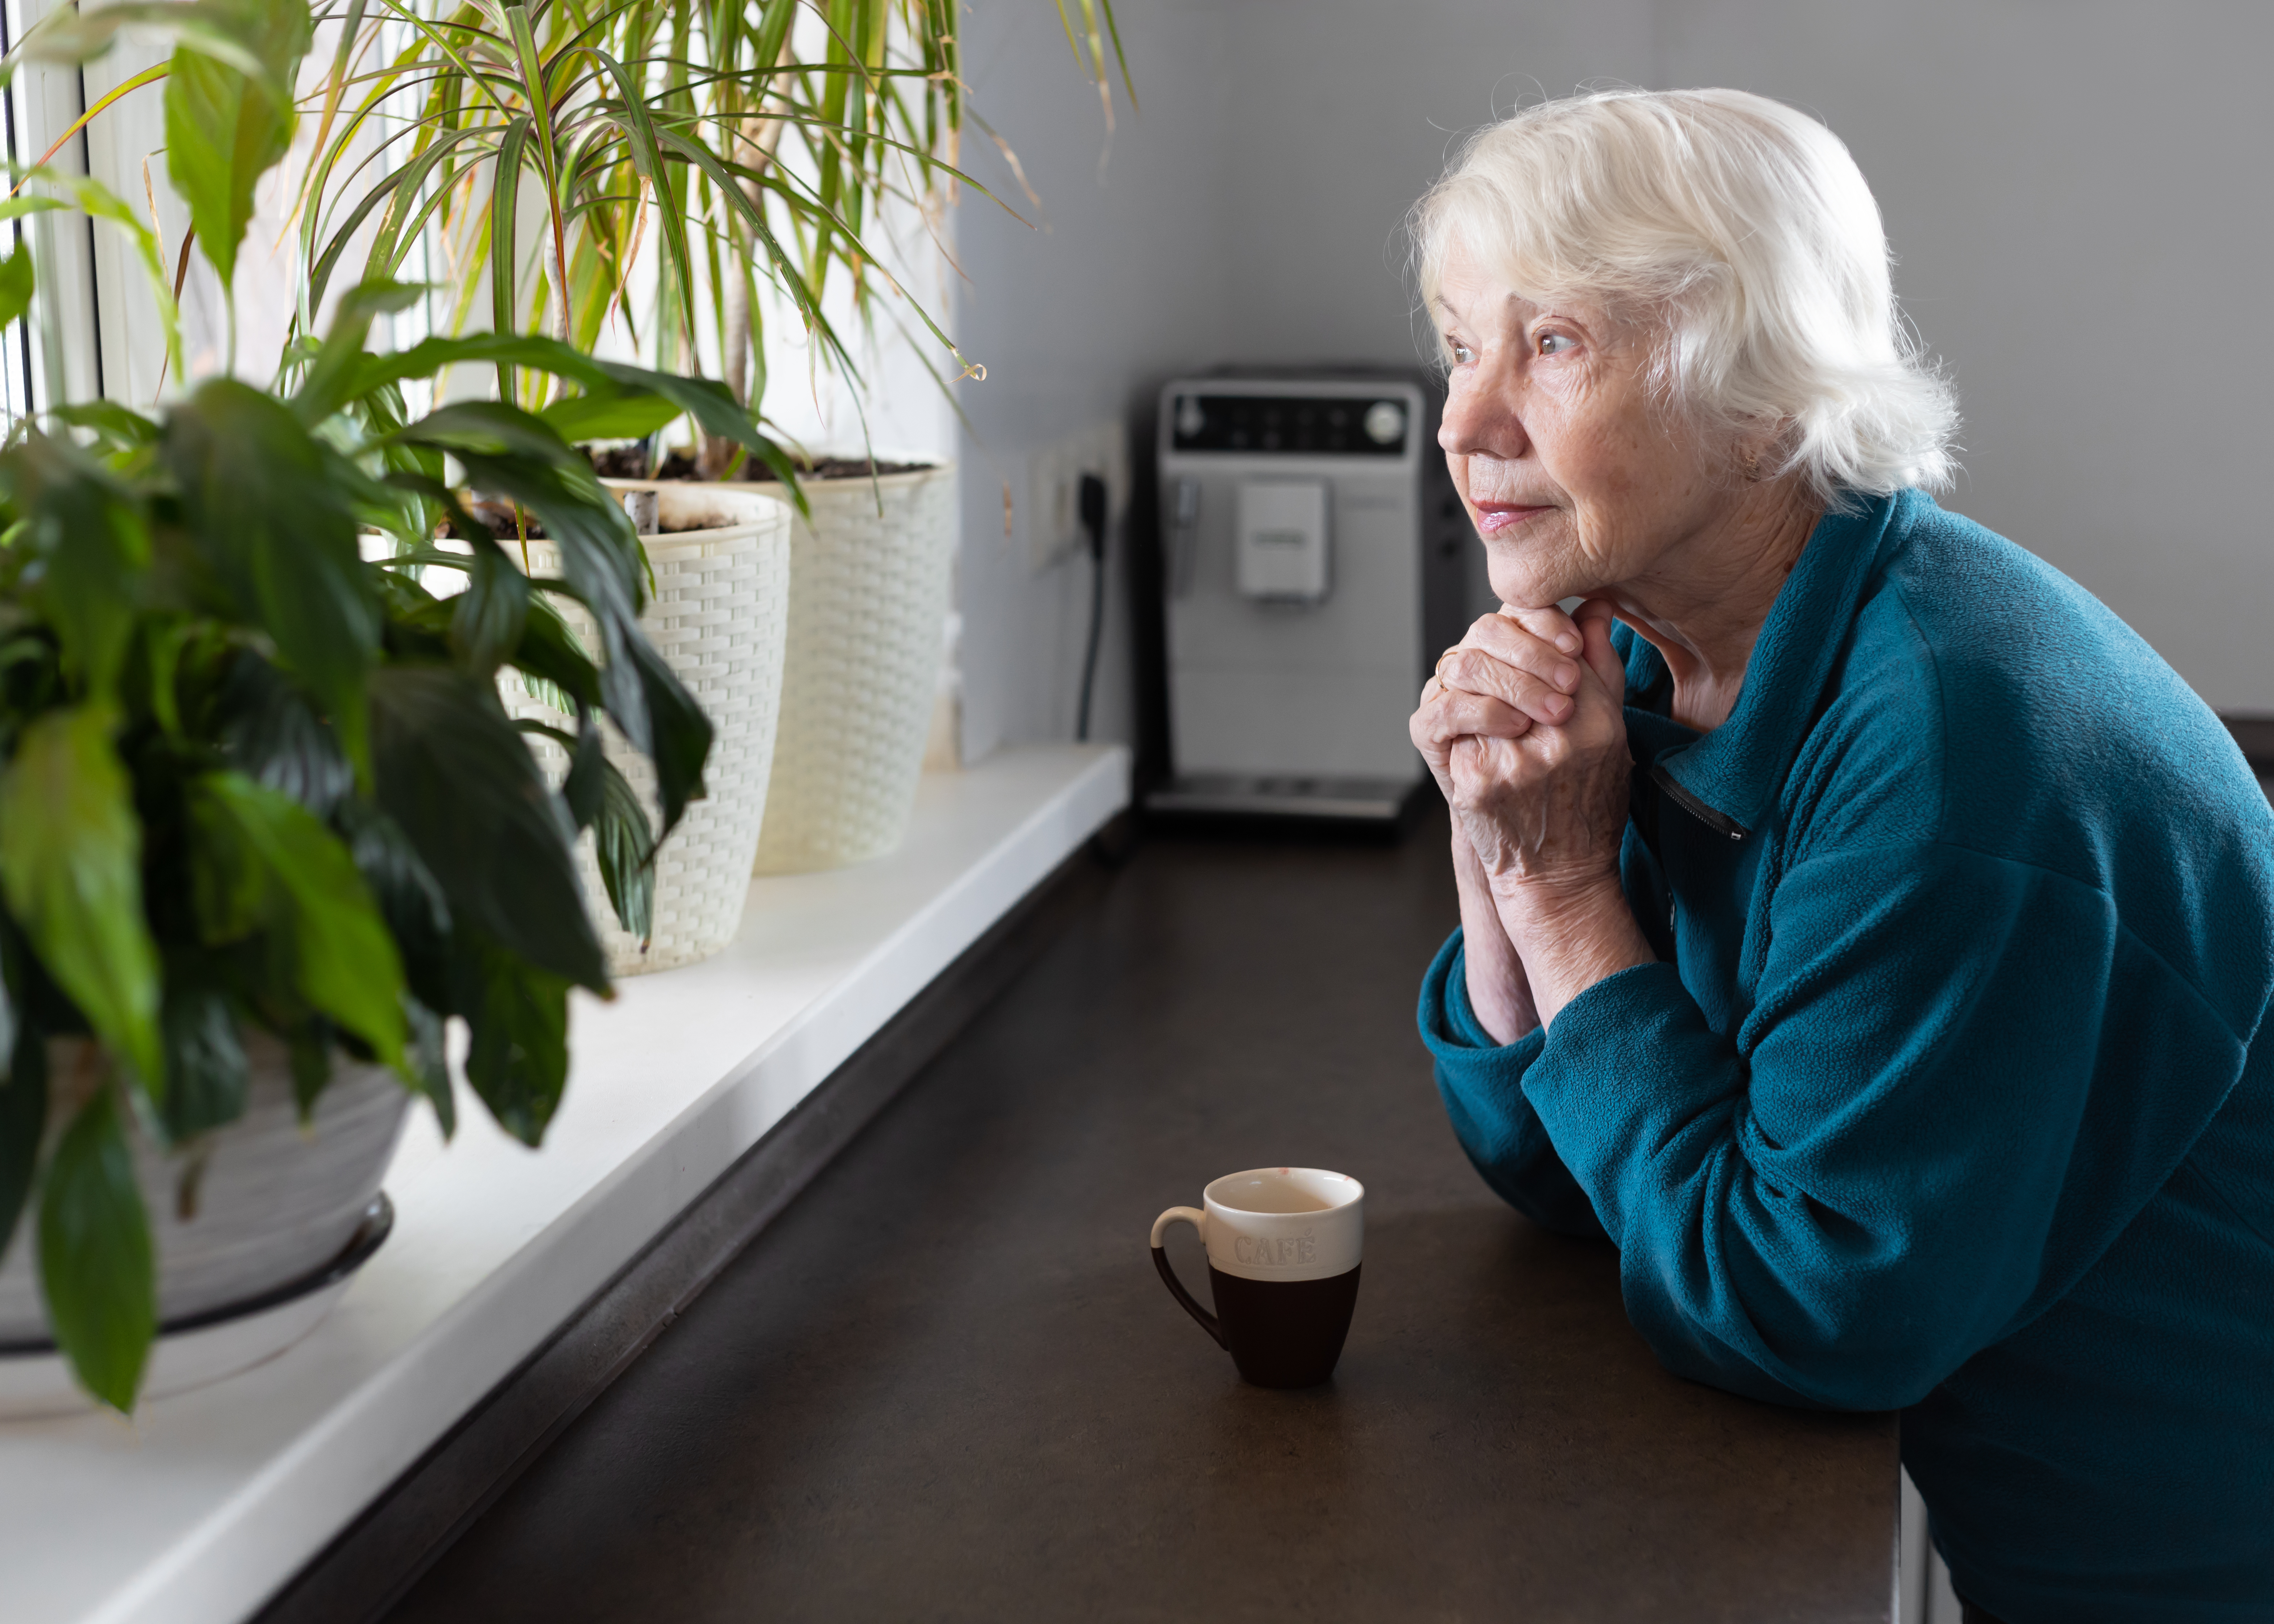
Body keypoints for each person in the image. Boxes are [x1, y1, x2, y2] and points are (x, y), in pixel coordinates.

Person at [1409, 88, 2274, 1624]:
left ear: (1759, 396)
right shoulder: (1670, 662)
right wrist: (1503, 829)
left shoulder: (1951, 752)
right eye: (1460, 342)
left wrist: (1559, 885)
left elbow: (1800, 1308)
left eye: (1552, 345)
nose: (1467, 423)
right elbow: (1567, 1167)